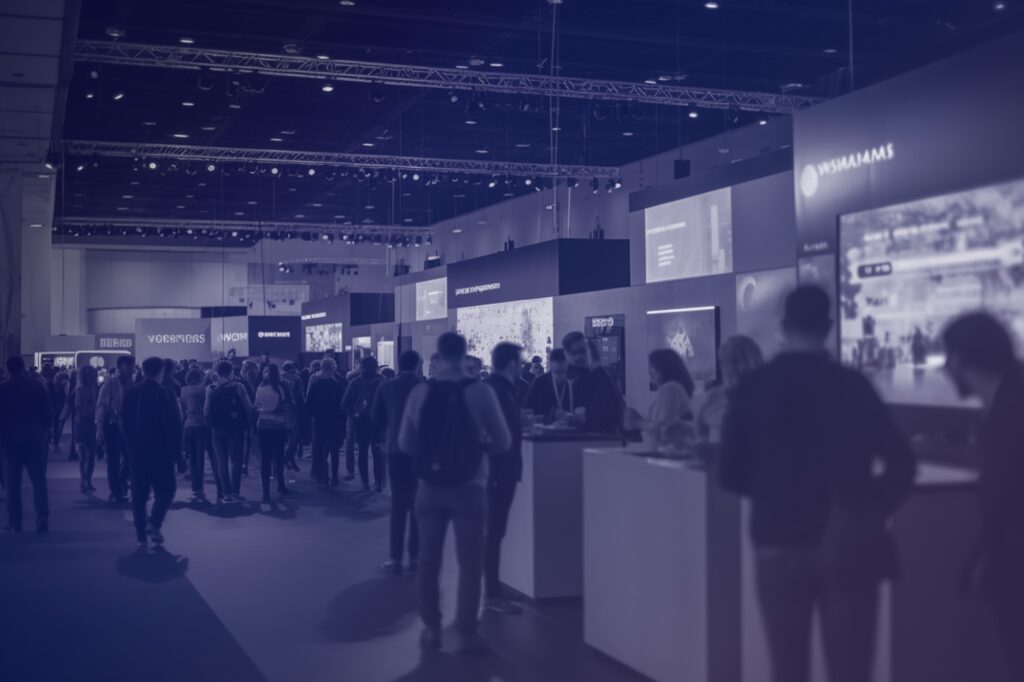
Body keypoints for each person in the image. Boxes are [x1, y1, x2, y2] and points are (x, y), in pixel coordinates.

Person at [719, 285, 917, 682]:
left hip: (777, 541)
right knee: (850, 669)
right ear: (828, 326)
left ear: (783, 326)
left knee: (788, 668)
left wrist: (774, 491)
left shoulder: (754, 388)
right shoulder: (851, 385)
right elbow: (902, 463)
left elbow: (731, 473)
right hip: (848, 541)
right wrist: (871, 510)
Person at [398, 332, 512, 653]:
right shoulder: (481, 392)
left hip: (429, 489)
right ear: (465, 354)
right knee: (470, 561)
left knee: (428, 560)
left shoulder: (421, 392)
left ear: (438, 355)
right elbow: (503, 442)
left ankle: (432, 628)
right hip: (470, 487)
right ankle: (466, 627)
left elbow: (405, 444)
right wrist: (478, 446)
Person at [942, 312, 1024, 681]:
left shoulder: (1010, 411)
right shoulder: (1007, 400)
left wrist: (986, 557)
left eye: (947, 358)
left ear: (961, 358)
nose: (945, 369)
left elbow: (1008, 498)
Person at [371, 350, 424, 574]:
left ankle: (395, 558)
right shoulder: (425, 387)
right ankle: (414, 557)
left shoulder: (386, 386)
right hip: (421, 452)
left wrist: (388, 432)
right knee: (418, 506)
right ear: (418, 364)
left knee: (399, 505)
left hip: (395, 450)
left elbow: (375, 416)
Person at [121, 357, 182, 547]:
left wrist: (128, 447)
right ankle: (154, 523)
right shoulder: (167, 393)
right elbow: (174, 426)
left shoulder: (131, 392)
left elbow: (123, 421)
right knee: (167, 490)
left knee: (139, 494)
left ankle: (140, 534)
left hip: (137, 452)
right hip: (161, 452)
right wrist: (178, 454)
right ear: (161, 371)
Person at [482, 342, 524, 615]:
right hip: (498, 470)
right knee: (493, 531)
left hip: (498, 469)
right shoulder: (499, 391)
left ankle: (494, 585)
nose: (521, 366)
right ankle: (492, 593)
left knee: (496, 531)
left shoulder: (495, 389)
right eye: (518, 361)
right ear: (511, 363)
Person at [0, 356, 53, 534]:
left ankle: (15, 523)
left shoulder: (3, 389)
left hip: (10, 442)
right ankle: (42, 519)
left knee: (12, 484)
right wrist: (44, 431)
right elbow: (47, 413)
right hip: (35, 440)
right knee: (38, 481)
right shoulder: (37, 386)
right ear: (23, 367)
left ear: (8, 369)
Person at [694, 336, 764, 444]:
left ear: (756, 362)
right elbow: (701, 437)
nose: (732, 368)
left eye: (737, 362)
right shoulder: (712, 396)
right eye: (726, 363)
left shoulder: (768, 396)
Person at [624, 349, 695, 449]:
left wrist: (637, 422)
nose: (651, 379)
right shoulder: (673, 389)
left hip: (667, 453)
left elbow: (665, 428)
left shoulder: (671, 389)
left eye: (652, 373)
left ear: (663, 369)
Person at [205, 360, 254, 501]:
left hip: (217, 429)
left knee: (221, 462)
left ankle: (226, 493)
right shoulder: (238, 387)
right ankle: (235, 492)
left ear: (217, 372)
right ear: (231, 372)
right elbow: (248, 408)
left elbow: (206, 411)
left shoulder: (210, 388)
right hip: (235, 428)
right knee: (236, 460)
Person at [562, 331, 623, 434]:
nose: (578, 356)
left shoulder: (602, 379)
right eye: (574, 353)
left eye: (582, 351)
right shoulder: (585, 376)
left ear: (589, 350)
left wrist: (570, 418)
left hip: (600, 441)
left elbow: (598, 418)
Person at [342, 356, 386, 492]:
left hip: (360, 421)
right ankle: (378, 482)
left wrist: (353, 414)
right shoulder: (382, 382)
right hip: (377, 422)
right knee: (377, 452)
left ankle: (365, 482)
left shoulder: (355, 382)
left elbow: (344, 404)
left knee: (362, 451)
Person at [254, 363, 293, 503]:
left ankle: (266, 492)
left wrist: (264, 411)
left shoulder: (260, 388)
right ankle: (281, 485)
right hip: (279, 426)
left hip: (263, 425)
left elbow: (256, 406)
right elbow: (289, 405)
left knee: (265, 459)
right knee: (279, 457)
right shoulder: (281, 388)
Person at [180, 369, 219, 501]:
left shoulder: (183, 390)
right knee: (201, 457)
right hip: (202, 424)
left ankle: (195, 486)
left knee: (192, 457)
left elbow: (183, 409)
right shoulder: (202, 389)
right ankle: (202, 487)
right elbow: (207, 405)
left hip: (188, 425)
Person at [306, 357, 346, 486]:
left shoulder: (316, 385)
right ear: (333, 368)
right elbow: (343, 405)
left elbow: (309, 405)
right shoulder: (337, 386)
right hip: (334, 422)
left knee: (320, 448)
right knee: (334, 450)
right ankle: (334, 476)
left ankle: (323, 475)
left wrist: (314, 416)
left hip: (319, 421)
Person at [523, 348, 573, 425]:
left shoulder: (574, 382)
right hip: (544, 433)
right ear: (550, 367)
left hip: (571, 433)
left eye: (563, 371)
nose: (560, 376)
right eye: (556, 372)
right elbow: (527, 411)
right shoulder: (539, 383)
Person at [72, 365, 100, 494]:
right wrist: (92, 408)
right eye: (93, 374)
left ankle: (87, 480)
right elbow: (79, 408)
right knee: (84, 456)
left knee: (91, 455)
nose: (95, 376)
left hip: (89, 424)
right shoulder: (81, 390)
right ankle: (84, 480)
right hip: (83, 424)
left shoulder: (94, 388)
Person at [280, 361, 305, 471]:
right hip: (293, 412)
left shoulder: (278, 378)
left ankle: (286, 460)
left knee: (281, 440)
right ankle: (288, 458)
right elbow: (300, 397)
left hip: (279, 412)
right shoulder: (297, 379)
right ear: (293, 368)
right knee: (294, 438)